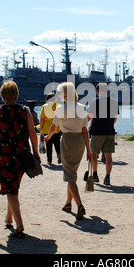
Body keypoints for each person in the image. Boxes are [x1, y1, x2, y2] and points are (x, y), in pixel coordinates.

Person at [0, 81, 41, 239]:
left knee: (9, 187)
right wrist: (36, 152)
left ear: (2, 95)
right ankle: (8, 219)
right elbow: (32, 133)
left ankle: (19, 224)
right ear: (17, 94)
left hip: (4, 154)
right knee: (13, 186)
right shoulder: (25, 110)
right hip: (22, 153)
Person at [45, 82, 91, 220]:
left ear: (65, 93)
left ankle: (80, 205)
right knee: (72, 173)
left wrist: (48, 136)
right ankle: (68, 203)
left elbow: (54, 127)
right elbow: (84, 131)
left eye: (60, 92)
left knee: (69, 175)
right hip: (80, 142)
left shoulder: (60, 108)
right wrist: (89, 150)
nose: (58, 95)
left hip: (67, 141)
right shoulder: (83, 108)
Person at [87, 83, 119, 186]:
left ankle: (95, 174)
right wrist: (110, 125)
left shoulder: (94, 101)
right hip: (109, 131)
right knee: (108, 156)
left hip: (97, 131)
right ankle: (107, 177)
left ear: (97, 91)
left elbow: (89, 117)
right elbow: (115, 118)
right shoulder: (114, 102)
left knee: (94, 155)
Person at [39, 93, 61, 165]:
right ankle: (59, 154)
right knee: (57, 143)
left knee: (48, 145)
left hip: (46, 129)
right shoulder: (59, 106)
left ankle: (49, 160)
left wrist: (41, 127)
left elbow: (42, 119)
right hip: (56, 128)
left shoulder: (44, 106)